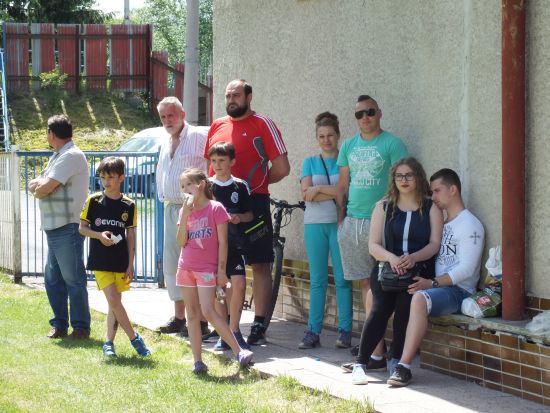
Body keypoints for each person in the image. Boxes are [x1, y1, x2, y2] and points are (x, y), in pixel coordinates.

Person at [205, 79, 290, 345]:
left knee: (260, 263)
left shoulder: (263, 124)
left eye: (237, 95)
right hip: (218, 208)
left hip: (253, 204)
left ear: (249, 97)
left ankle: (259, 323)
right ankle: (225, 323)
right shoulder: (217, 125)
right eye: (228, 95)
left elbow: (282, 168)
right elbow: (208, 167)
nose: (231, 99)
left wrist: (255, 187)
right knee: (220, 264)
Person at [387, 168, 484, 387]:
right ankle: (379, 354)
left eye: (437, 191)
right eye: (431, 192)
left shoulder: (470, 224)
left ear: (453, 190)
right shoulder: (443, 222)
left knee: (419, 298)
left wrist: (431, 283)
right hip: (439, 288)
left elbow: (468, 269)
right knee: (397, 291)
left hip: (460, 291)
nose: (433, 197)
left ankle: (403, 366)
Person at [351, 157, 443, 385]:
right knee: (379, 310)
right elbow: (373, 246)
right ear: (393, 180)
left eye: (409, 175)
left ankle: (397, 363)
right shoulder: (383, 206)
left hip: (417, 270)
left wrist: (413, 258)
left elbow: (435, 244)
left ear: (418, 177)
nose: (404, 180)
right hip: (386, 270)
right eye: (399, 176)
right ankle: (360, 364)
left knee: (404, 310)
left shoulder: (430, 207)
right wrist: (392, 258)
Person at [336, 94, 408, 357]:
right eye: (359, 114)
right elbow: (343, 186)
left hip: (383, 222)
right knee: (365, 284)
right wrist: (341, 220)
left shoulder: (393, 144)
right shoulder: (348, 145)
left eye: (370, 112)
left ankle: (388, 347)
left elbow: (404, 183)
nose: (365, 117)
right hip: (353, 223)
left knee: (385, 284)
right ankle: (376, 348)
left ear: (379, 113)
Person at [176, 168, 254, 373]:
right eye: (182, 186)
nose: (185, 189)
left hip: (206, 269)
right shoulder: (184, 211)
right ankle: (198, 361)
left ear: (201, 185)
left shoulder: (216, 208)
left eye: (188, 184)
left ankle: (239, 351)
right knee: (192, 314)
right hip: (186, 268)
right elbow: (181, 241)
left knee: (208, 310)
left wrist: (221, 271)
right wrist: (185, 215)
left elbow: (223, 243)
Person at [79, 157, 151, 358]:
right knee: (113, 299)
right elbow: (82, 228)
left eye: (110, 177)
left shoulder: (129, 204)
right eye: (102, 177)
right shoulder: (93, 201)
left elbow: (131, 236)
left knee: (115, 303)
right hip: (100, 260)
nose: (106, 182)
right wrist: (99, 235)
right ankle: (135, 338)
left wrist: (130, 264)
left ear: (121, 178)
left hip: (120, 261)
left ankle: (108, 343)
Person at [29, 114, 91, 339]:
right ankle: (60, 324)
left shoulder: (71, 155)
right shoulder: (58, 156)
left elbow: (45, 187)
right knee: (53, 279)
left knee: (73, 278)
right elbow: (36, 185)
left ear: (51, 133)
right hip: (55, 226)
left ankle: (81, 327)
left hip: (67, 226)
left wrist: (43, 187)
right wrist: (41, 186)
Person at [155, 97, 210, 338]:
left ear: (183, 114)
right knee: (172, 264)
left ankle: (200, 320)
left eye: (171, 115)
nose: (168, 120)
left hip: (194, 209)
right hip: (171, 208)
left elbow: (210, 166)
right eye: (163, 117)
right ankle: (179, 317)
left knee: (194, 264)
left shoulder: (198, 136)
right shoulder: (165, 139)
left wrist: (204, 200)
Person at [298, 112, 353, 349]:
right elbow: (306, 194)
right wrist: (333, 190)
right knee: (318, 280)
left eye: (330, 135)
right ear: (317, 138)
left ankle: (345, 331)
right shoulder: (309, 162)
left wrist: (319, 189)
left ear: (338, 135)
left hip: (340, 224)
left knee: (343, 279)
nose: (326, 140)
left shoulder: (346, 161)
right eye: (321, 136)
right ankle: (313, 331)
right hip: (314, 224)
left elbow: (346, 191)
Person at [207, 142, 254, 352]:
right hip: (213, 248)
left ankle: (235, 330)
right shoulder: (207, 186)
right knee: (219, 288)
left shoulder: (240, 186)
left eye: (222, 160)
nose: (217, 165)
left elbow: (250, 215)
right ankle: (223, 333)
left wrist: (238, 217)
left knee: (239, 284)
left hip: (235, 245)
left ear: (232, 162)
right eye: (213, 161)